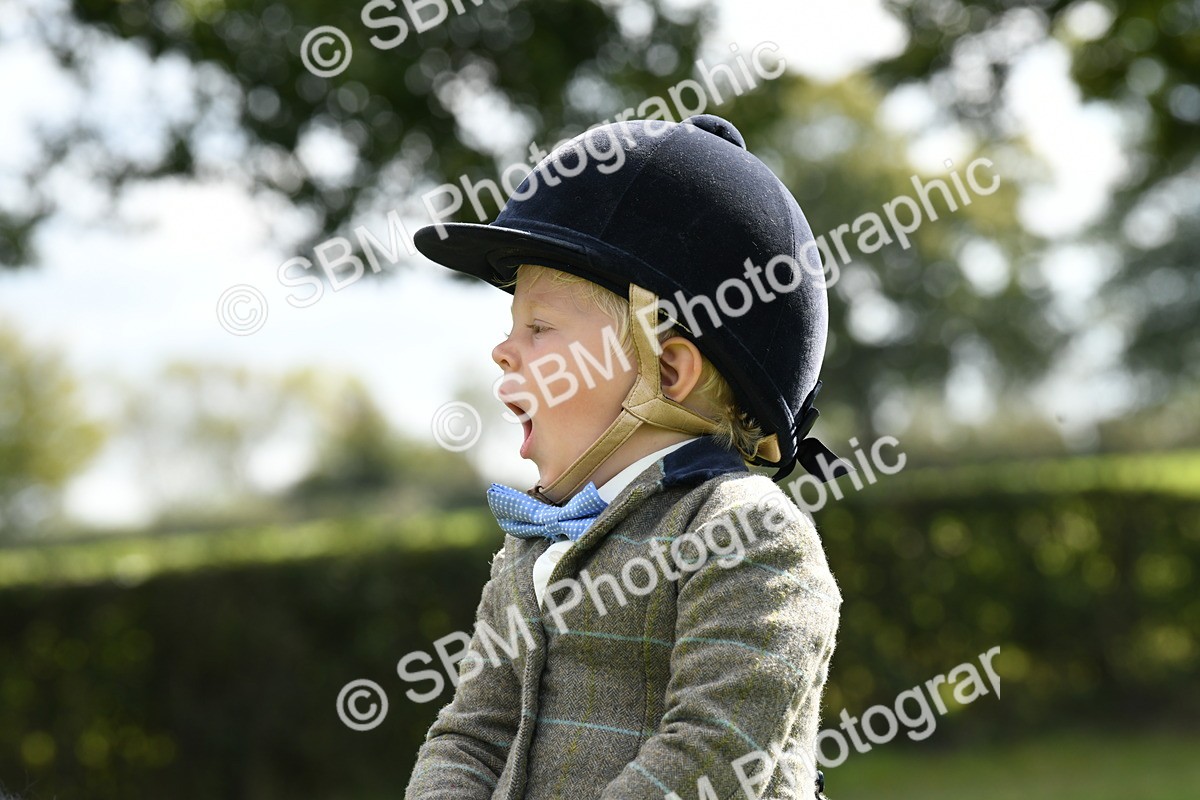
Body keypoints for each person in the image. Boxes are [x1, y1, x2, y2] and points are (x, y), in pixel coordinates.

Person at [404, 113, 846, 800]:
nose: (503, 349)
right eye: (511, 326)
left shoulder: (744, 530)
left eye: (540, 327)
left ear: (668, 373)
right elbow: (471, 732)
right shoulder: (531, 544)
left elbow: (714, 748)